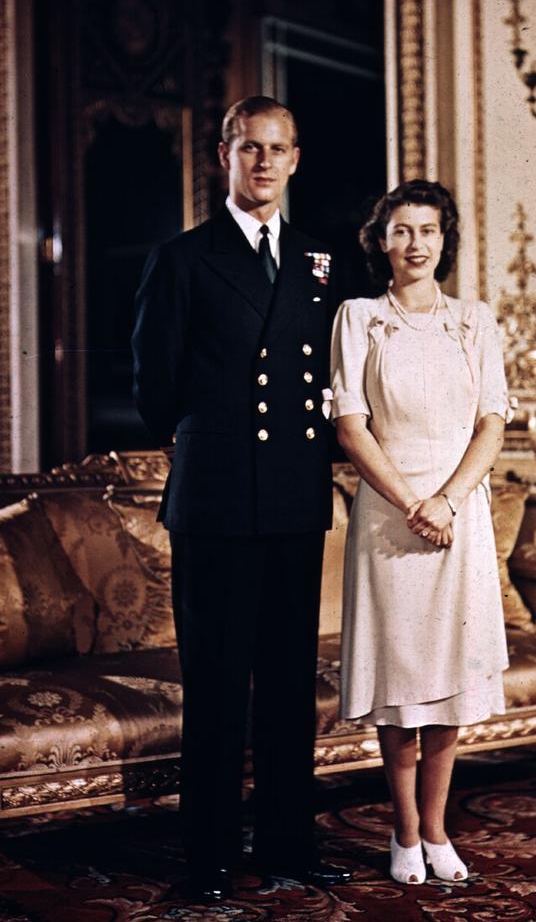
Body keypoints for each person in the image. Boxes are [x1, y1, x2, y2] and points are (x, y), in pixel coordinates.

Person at [132, 95, 351, 903]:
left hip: (294, 502)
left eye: (278, 148)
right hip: (218, 506)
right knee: (219, 688)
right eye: (249, 147)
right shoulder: (183, 259)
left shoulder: (321, 263)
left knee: (291, 686)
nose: (264, 162)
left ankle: (290, 845)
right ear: (223, 155)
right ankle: (210, 856)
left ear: (296, 159)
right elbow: (155, 395)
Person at [330, 179, 510, 885]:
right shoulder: (359, 318)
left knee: (448, 685)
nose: (415, 244)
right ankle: (404, 832)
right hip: (391, 514)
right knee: (401, 681)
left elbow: (492, 421)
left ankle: (438, 830)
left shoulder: (475, 321)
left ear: (444, 240)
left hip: (458, 514)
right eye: (401, 230)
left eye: (428, 230)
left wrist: (449, 500)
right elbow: (350, 423)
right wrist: (413, 502)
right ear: (381, 241)